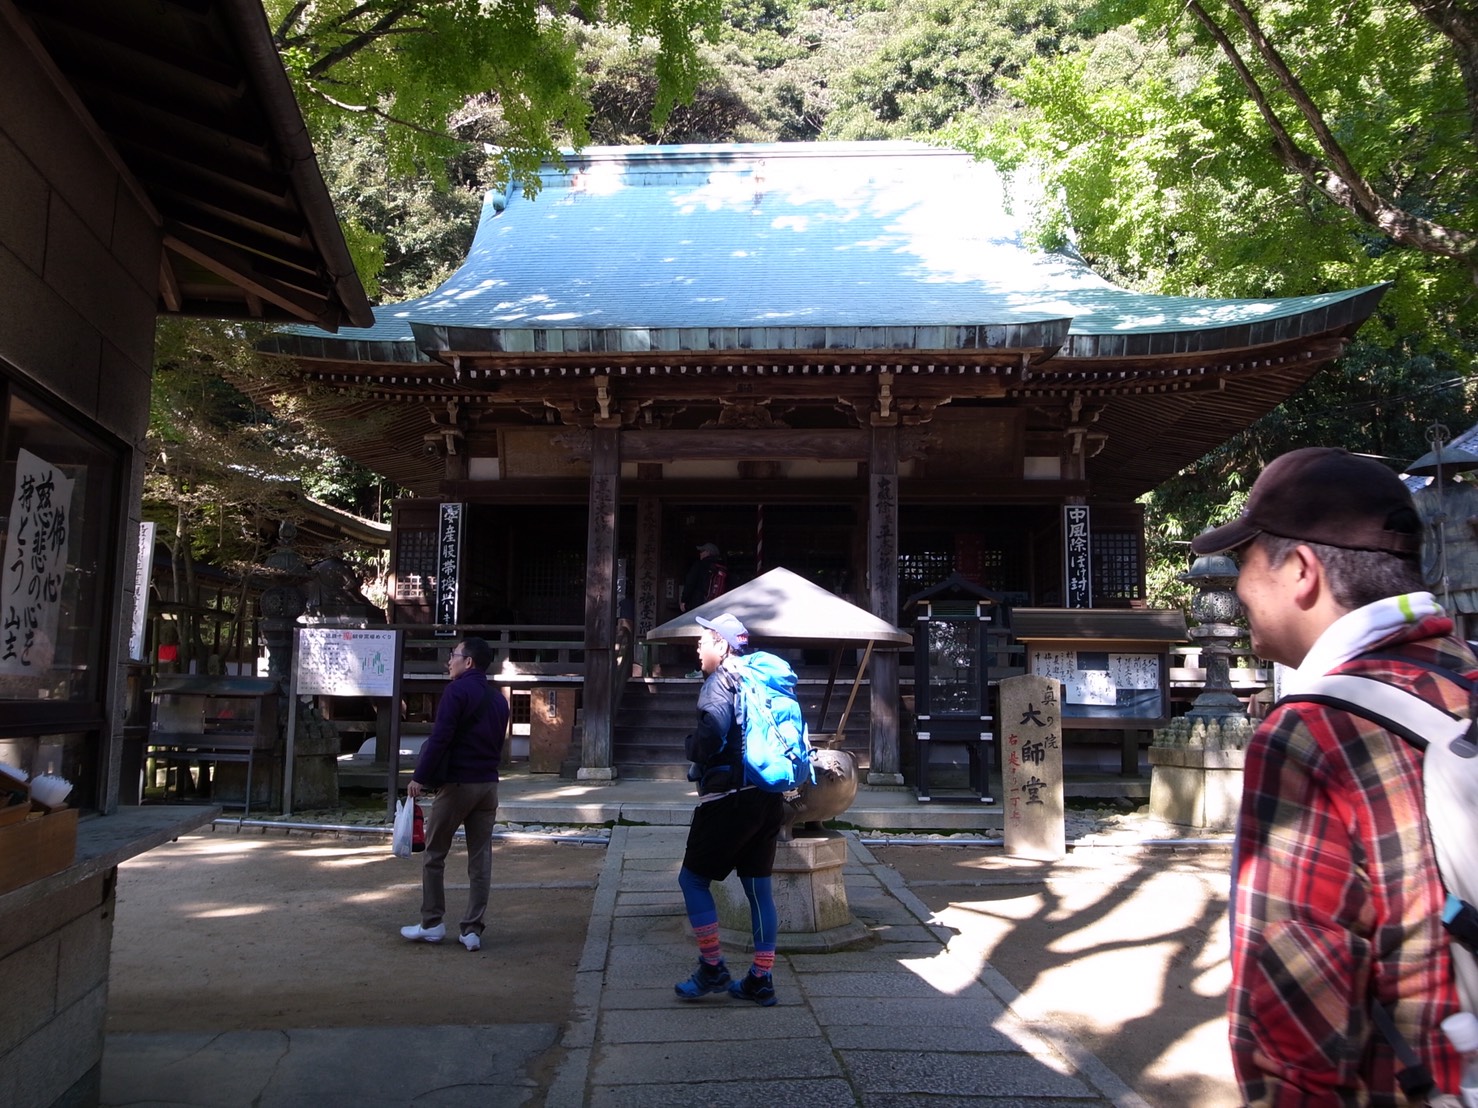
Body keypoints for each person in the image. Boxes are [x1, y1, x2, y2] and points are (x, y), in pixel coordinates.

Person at [1191, 447, 1478, 1104]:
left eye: (1243, 562)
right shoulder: (1464, 677)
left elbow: (1299, 1005)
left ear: (1300, 570)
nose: (1236, 589)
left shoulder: (1315, 731)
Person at [673, 612, 785, 1007]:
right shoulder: (758, 679)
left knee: (692, 881)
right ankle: (760, 977)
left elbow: (714, 730)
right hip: (768, 798)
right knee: (758, 890)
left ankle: (713, 966)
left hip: (729, 800)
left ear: (722, 645)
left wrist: (693, 748)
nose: (698, 647)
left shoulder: (720, 680)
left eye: (704, 640)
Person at [400, 637, 509, 952]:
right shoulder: (499, 700)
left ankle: (432, 922)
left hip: (459, 784)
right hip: (488, 786)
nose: (449, 661)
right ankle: (473, 929)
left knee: (434, 853)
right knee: (480, 859)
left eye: (454, 655)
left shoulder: (456, 692)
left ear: (469, 661)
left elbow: (440, 738)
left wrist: (419, 777)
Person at [679, 542, 726, 613]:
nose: (700, 553)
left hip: (699, 602)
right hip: (717, 605)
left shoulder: (699, 565)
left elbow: (690, 583)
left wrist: (684, 600)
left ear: (708, 552)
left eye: (701, 551)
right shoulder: (721, 567)